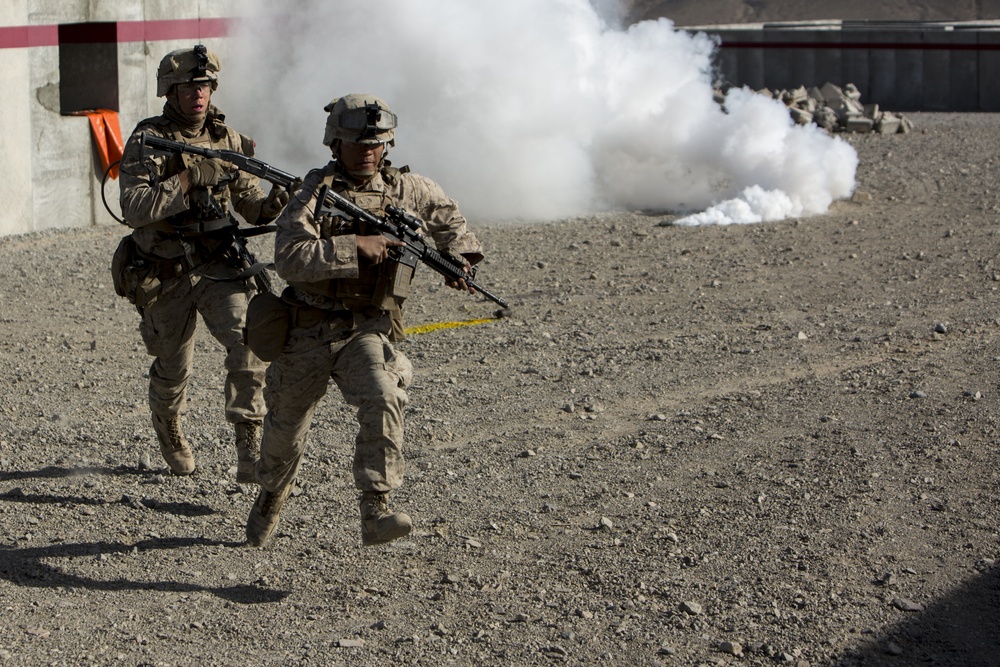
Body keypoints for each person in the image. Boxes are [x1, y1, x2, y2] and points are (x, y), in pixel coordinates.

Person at [245, 93, 485, 547]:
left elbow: (448, 216)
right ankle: (272, 492)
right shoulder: (314, 193)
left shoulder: (406, 190)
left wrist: (461, 259)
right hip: (308, 329)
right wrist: (355, 248)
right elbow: (290, 259)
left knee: (383, 396)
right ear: (335, 142)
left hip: (366, 329)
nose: (367, 149)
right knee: (283, 434)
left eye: (375, 142)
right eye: (356, 141)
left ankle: (376, 509)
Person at [118, 45, 287, 481]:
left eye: (205, 85)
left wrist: (274, 206)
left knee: (248, 340)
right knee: (173, 366)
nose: (199, 94)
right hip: (165, 272)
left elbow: (250, 203)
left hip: (217, 265)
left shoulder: (226, 139)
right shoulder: (146, 139)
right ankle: (169, 426)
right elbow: (135, 207)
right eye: (189, 86)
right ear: (169, 91)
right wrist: (190, 177)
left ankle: (248, 441)